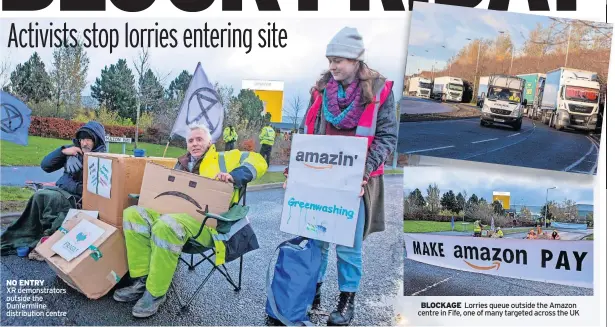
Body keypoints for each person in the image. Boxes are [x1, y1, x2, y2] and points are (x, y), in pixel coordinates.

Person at [281, 27, 398, 326]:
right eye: (330, 59)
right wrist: (294, 173)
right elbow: (307, 134)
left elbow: (387, 137)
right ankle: (313, 293)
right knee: (317, 238)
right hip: (321, 177)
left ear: (357, 59)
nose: (333, 66)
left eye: (340, 60)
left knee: (348, 244)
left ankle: (347, 301)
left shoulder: (381, 90)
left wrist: (364, 169)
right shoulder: (320, 90)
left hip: (357, 181)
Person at [114, 124, 267, 318]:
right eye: (191, 140)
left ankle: (155, 292)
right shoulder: (181, 164)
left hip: (206, 225)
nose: (194, 143)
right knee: (133, 214)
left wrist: (234, 176)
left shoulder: (225, 158)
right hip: (173, 217)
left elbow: (259, 160)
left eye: (199, 139)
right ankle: (142, 281)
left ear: (209, 141)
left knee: (166, 226)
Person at [1, 121, 107, 255]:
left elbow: (90, 190)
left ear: (96, 140)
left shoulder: (103, 160)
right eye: (81, 139)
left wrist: (67, 182)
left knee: (48, 199)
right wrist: (63, 152)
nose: (84, 143)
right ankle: (23, 236)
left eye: (88, 139)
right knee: (38, 196)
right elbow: (45, 166)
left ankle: (44, 240)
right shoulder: (73, 151)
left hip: (78, 201)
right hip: (62, 192)